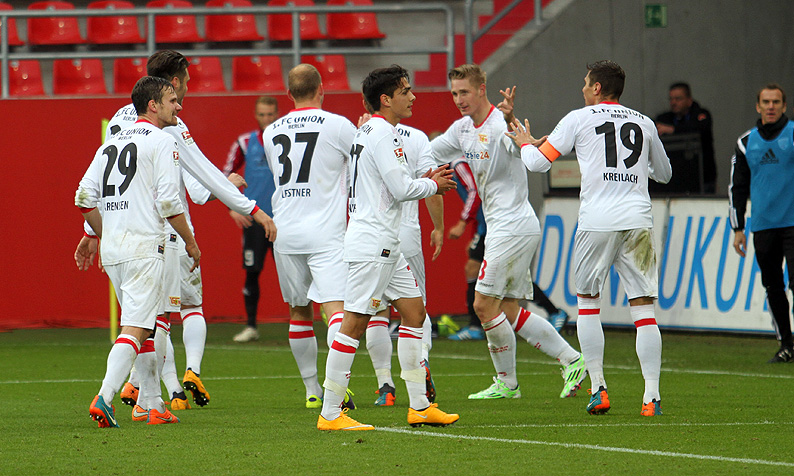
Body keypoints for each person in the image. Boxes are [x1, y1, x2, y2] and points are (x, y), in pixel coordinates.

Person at [75, 50, 277, 414]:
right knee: (155, 322)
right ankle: (117, 395)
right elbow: (197, 182)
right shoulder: (168, 131)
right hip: (155, 237)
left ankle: (150, 401)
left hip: (115, 236)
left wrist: (93, 231)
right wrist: (251, 209)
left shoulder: (118, 121)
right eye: (184, 83)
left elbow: (92, 189)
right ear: (171, 85)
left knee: (145, 322)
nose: (184, 95)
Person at [508, 60, 672, 417]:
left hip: (597, 221)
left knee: (588, 303)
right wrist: (633, 169)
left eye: (586, 82)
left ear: (597, 88)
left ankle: (598, 388)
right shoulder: (644, 122)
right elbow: (664, 173)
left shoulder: (579, 118)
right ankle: (652, 397)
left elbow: (538, 163)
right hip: (638, 221)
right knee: (644, 311)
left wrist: (524, 144)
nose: (583, 88)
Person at [430, 64, 587, 401]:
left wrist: (519, 130)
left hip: (512, 226)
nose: (459, 99)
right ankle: (569, 360)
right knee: (508, 308)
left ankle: (509, 382)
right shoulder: (461, 129)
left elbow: (525, 151)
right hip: (504, 227)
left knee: (483, 304)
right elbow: (427, 153)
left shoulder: (501, 124)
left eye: (464, 92)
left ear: (481, 89)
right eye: (454, 93)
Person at [317, 65, 458, 431]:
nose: (413, 96)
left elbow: (389, 184)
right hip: (373, 243)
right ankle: (330, 413)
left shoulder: (369, 130)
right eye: (405, 91)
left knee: (414, 314)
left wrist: (423, 179)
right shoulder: (383, 133)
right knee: (354, 323)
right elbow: (400, 189)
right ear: (386, 99)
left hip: (385, 243)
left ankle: (420, 406)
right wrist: (434, 185)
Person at [78, 76, 199, 427]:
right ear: (153, 105)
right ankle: (105, 397)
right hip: (146, 246)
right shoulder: (162, 141)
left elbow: (84, 198)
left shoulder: (110, 142)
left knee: (146, 327)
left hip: (114, 251)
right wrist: (191, 242)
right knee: (137, 328)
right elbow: (169, 203)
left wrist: (104, 234)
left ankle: (152, 404)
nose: (178, 106)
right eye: (172, 100)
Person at [262, 64, 357, 408]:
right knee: (336, 311)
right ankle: (336, 389)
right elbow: (362, 162)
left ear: (288, 94)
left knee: (299, 312)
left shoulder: (270, 131)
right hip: (326, 233)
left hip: (285, 231)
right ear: (321, 89)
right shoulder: (338, 125)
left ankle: (312, 391)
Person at [364, 118, 445, 406]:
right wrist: (438, 227)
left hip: (374, 234)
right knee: (416, 309)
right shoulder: (418, 137)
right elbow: (432, 183)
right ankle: (420, 362)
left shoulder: (362, 133)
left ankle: (385, 385)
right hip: (407, 233)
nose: (410, 98)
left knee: (376, 310)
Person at [729, 83, 794, 364]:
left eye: (776, 102)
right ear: (758, 106)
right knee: (773, 287)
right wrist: (738, 228)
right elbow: (737, 187)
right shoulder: (746, 143)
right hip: (764, 226)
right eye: (766, 102)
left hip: (792, 223)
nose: (771, 107)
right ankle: (786, 345)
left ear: (784, 106)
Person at [224, 96, 280, 343]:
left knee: (294, 274)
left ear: (277, 114)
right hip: (255, 221)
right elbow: (224, 177)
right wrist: (233, 208)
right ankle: (251, 326)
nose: (266, 119)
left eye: (270, 114)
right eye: (262, 114)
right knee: (252, 272)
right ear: (256, 115)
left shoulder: (287, 139)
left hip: (283, 220)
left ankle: (302, 322)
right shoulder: (245, 142)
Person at [655, 82, 716, 193]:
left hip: (703, 177)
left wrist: (673, 130)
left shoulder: (701, 115)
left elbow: (700, 129)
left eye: (678, 99)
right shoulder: (664, 118)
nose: (673, 103)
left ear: (689, 100)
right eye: (671, 99)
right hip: (675, 179)